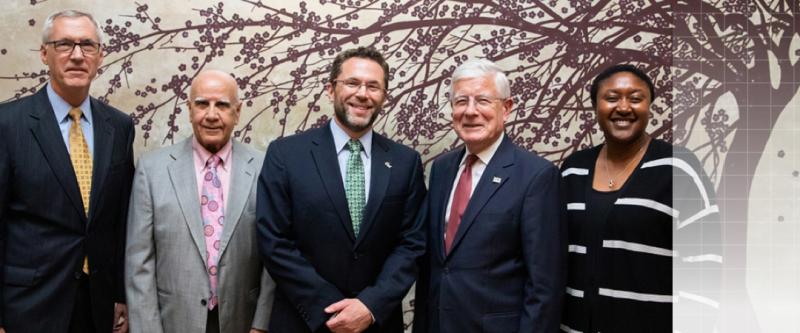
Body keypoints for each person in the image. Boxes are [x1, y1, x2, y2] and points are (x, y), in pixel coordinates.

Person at [257, 46, 426, 333]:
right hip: (303, 322)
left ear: (384, 96)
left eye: (373, 86)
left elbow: (412, 243)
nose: (362, 93)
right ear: (331, 89)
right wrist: (330, 308)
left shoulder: (405, 162)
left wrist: (369, 305)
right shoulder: (285, 155)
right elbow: (274, 240)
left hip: (376, 323)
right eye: (352, 83)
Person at [559, 64, 720, 332]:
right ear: (595, 106)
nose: (623, 107)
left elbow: (705, 267)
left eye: (636, 98)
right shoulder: (573, 169)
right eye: (611, 98)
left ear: (649, 106)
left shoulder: (678, 168)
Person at [0, 9, 133, 333]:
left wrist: (120, 295)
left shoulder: (118, 126)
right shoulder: (8, 124)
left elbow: (120, 220)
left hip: (97, 307)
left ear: (100, 56)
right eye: (64, 45)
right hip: (27, 306)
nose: (77, 55)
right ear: (45, 53)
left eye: (87, 45)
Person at [413, 59, 566, 333]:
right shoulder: (442, 169)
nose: (470, 112)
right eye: (461, 101)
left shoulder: (536, 176)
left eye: (483, 100)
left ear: (506, 108)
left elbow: (545, 285)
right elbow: (434, 265)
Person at [125, 70, 275, 333]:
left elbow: (274, 255)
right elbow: (139, 263)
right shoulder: (152, 170)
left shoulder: (265, 169)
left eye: (223, 105)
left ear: (238, 112)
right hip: (173, 322)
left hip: (242, 320)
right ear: (189, 109)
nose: (212, 115)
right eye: (202, 103)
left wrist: (261, 325)